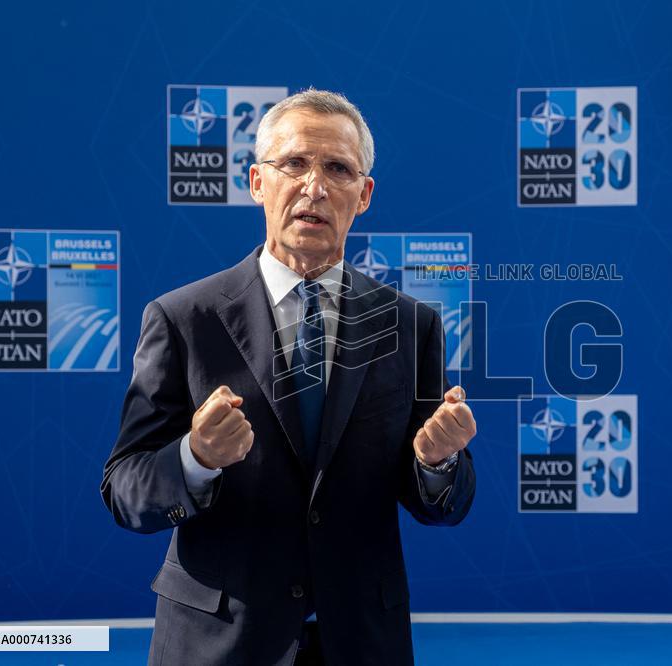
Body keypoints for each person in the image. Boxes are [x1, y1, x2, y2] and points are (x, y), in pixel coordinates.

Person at [100, 89, 477, 666]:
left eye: (338, 169)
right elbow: (125, 489)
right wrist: (195, 457)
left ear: (364, 194)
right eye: (294, 164)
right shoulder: (182, 319)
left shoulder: (411, 325)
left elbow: (438, 504)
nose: (315, 187)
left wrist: (436, 464)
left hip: (361, 642)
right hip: (219, 645)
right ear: (257, 182)